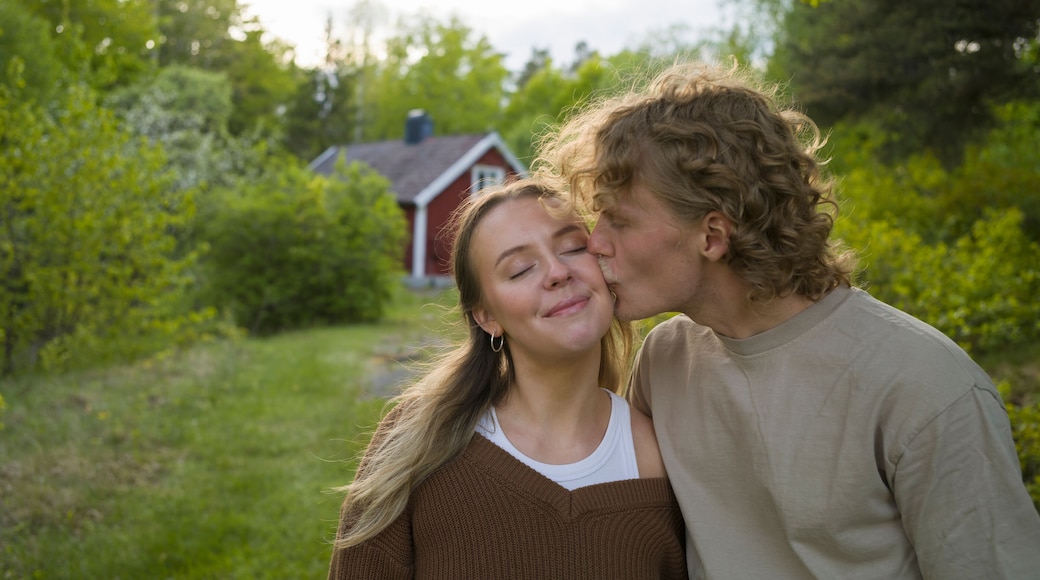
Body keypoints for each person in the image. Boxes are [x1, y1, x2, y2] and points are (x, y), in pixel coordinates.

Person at [536, 61, 1040, 579]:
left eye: (618, 220)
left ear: (712, 235)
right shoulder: (667, 360)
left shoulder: (924, 385)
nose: (594, 243)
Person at [327, 178, 687, 579]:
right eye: (519, 270)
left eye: (572, 247)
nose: (556, 272)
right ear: (488, 317)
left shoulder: (662, 456)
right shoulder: (417, 443)